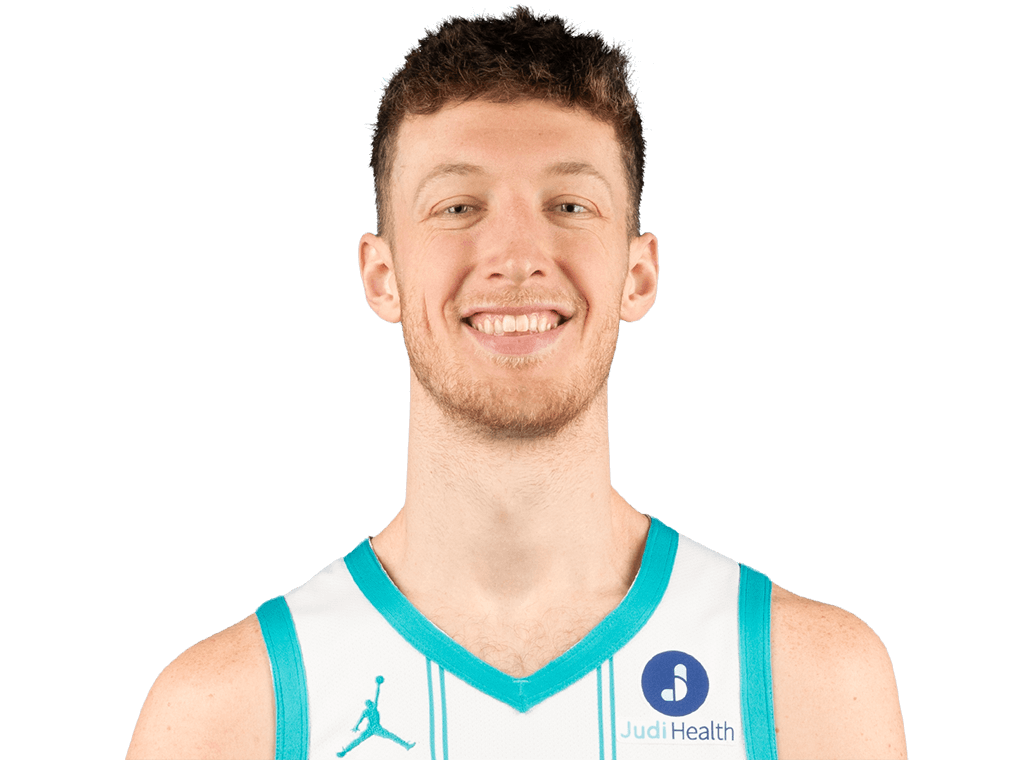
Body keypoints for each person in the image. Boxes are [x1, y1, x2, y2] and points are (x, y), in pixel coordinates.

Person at [127, 7, 906, 759]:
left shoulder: (808, 680)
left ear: (639, 275)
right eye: (458, 205)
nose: (517, 256)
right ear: (381, 276)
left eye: (568, 204)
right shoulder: (224, 710)